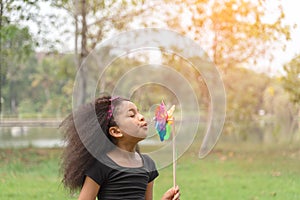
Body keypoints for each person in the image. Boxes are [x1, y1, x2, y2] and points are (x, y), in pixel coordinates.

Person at [60, 95, 180, 200]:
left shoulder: (148, 164)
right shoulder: (101, 165)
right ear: (116, 131)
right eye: (132, 115)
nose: (141, 117)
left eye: (138, 112)